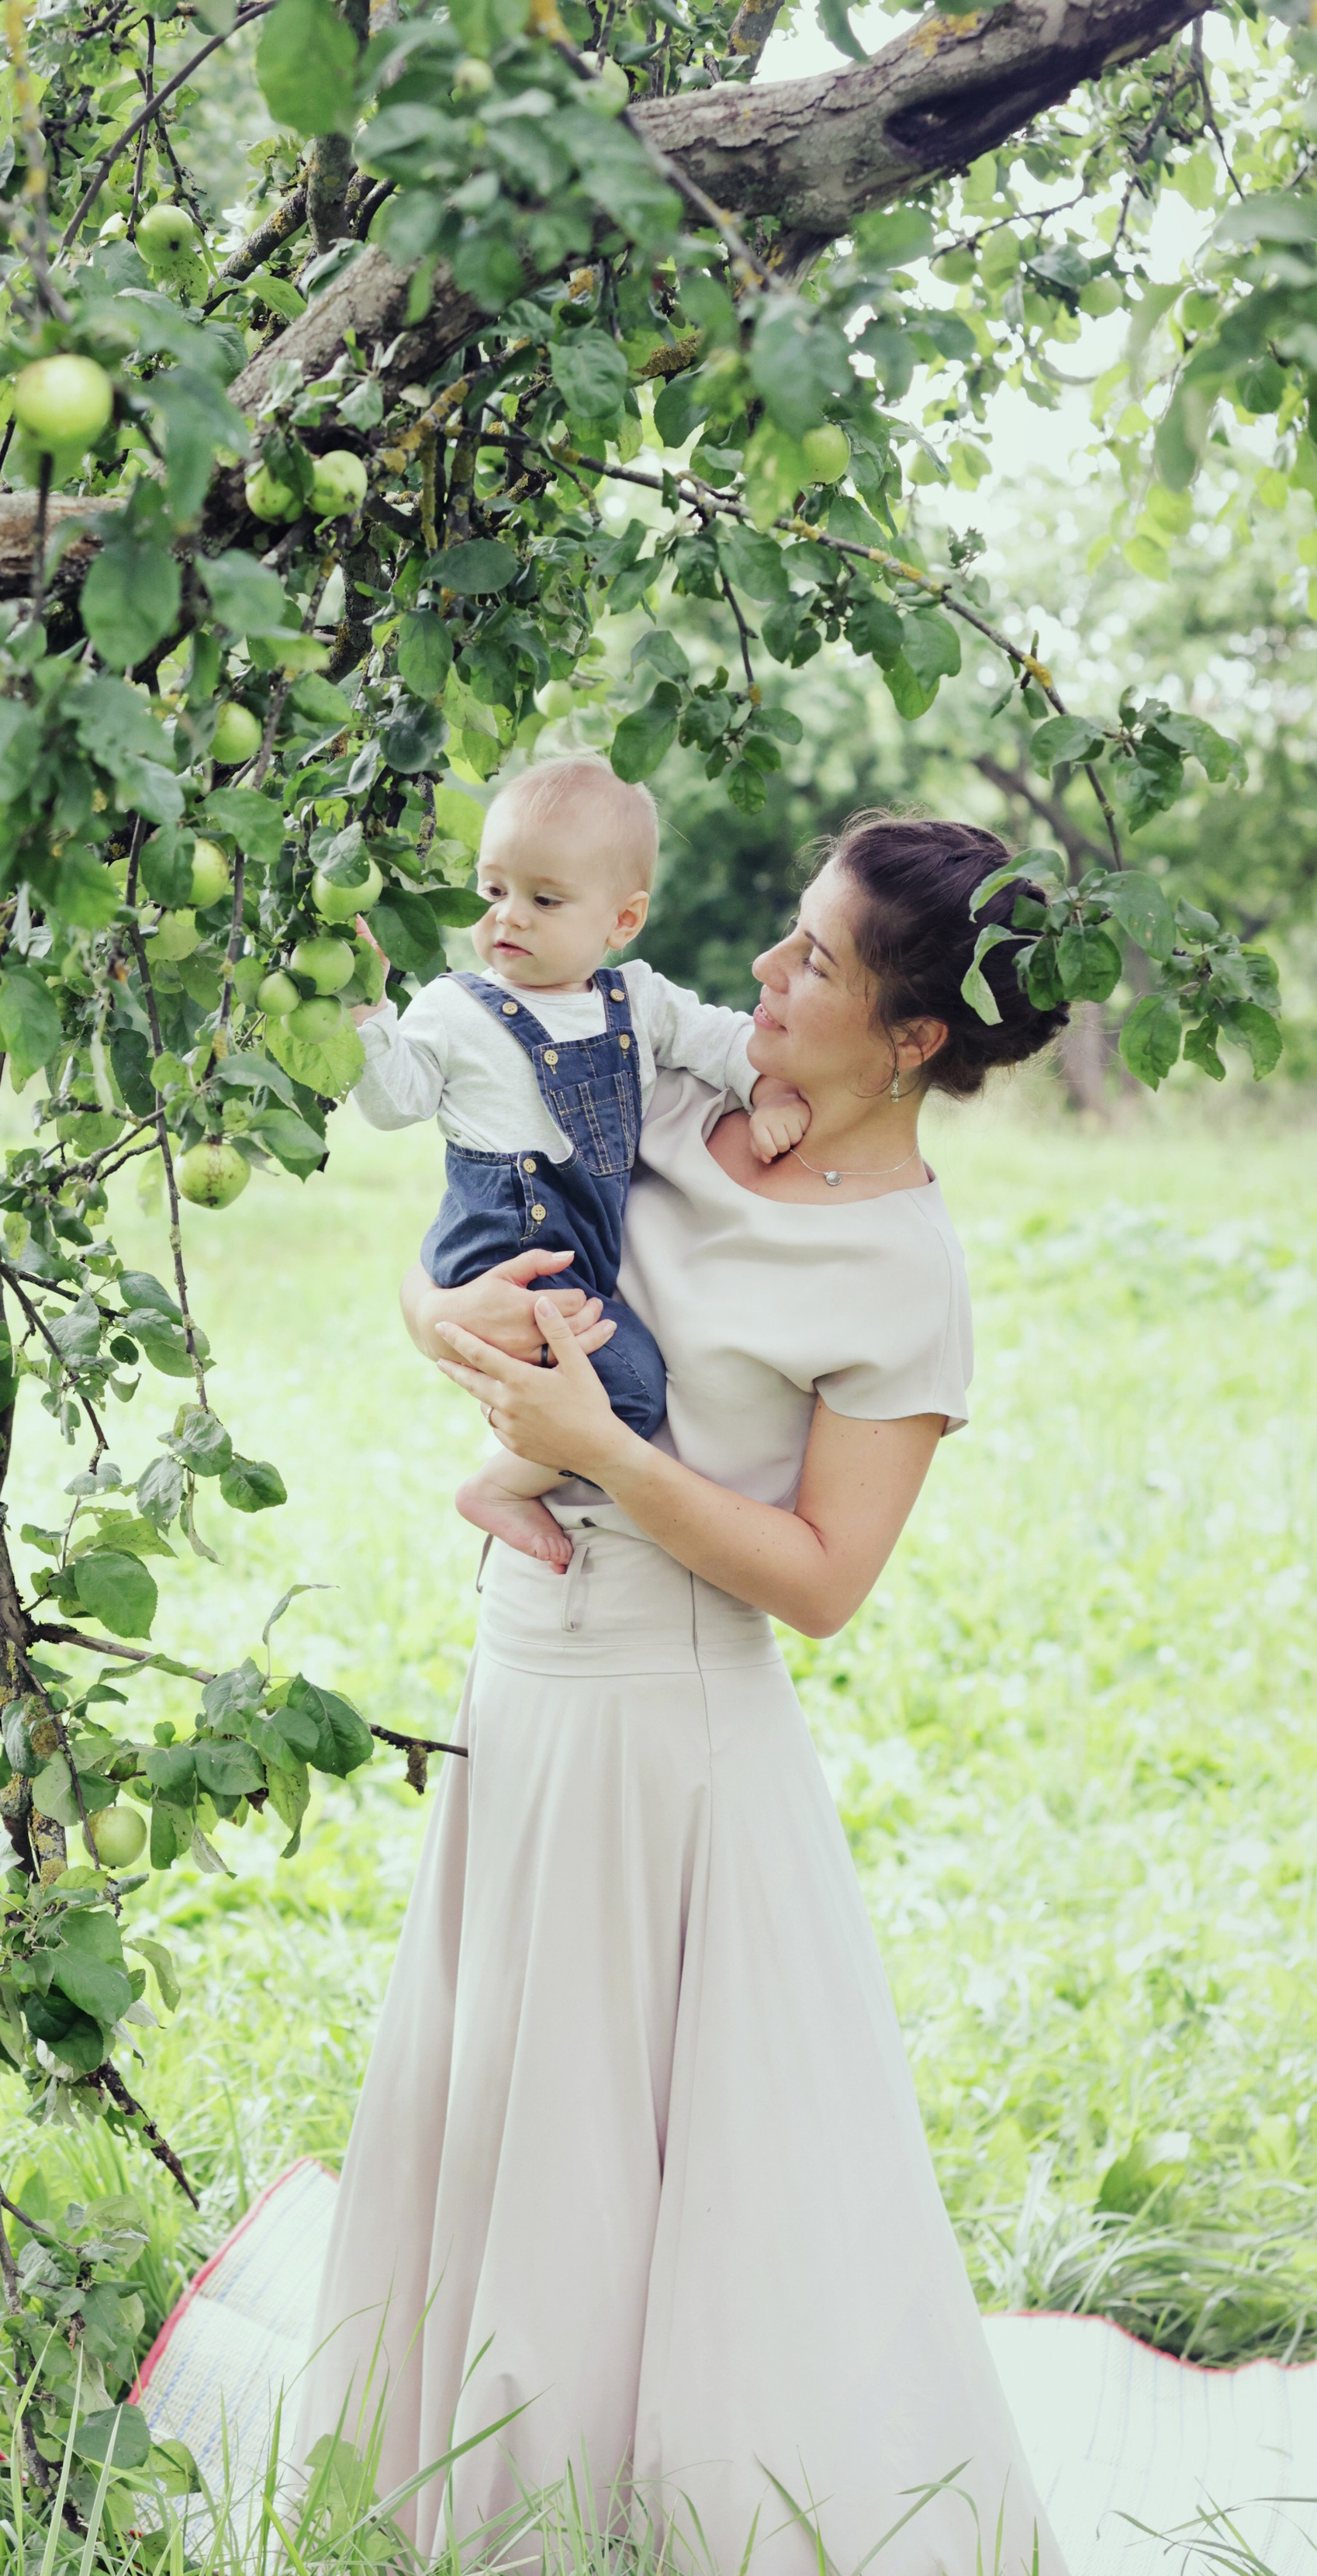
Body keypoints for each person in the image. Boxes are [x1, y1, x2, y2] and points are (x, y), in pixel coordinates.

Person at [289, 813, 1074, 2576]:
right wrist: (435, 1321)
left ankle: (626, 2512)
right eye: (782, 931)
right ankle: (474, 2489)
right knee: (495, 2093)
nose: (763, 973)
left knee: (629, 2151)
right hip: (523, 1666)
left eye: (811, 962)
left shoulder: (896, 1271)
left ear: (910, 1041)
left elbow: (818, 1581)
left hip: (674, 1732)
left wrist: (591, 1452)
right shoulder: (648, 1087)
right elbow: (466, 1229)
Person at [347, 757, 807, 1572]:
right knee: (626, 1389)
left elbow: (724, 1037)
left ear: (622, 921)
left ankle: (525, 1465)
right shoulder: (456, 1006)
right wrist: (370, 1016)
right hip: (502, 1246)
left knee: (603, 1377)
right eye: (493, 892)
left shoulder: (638, 999)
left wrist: (767, 1094)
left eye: (544, 899)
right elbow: (394, 1102)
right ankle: (500, 1487)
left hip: (578, 1257)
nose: (506, 919)